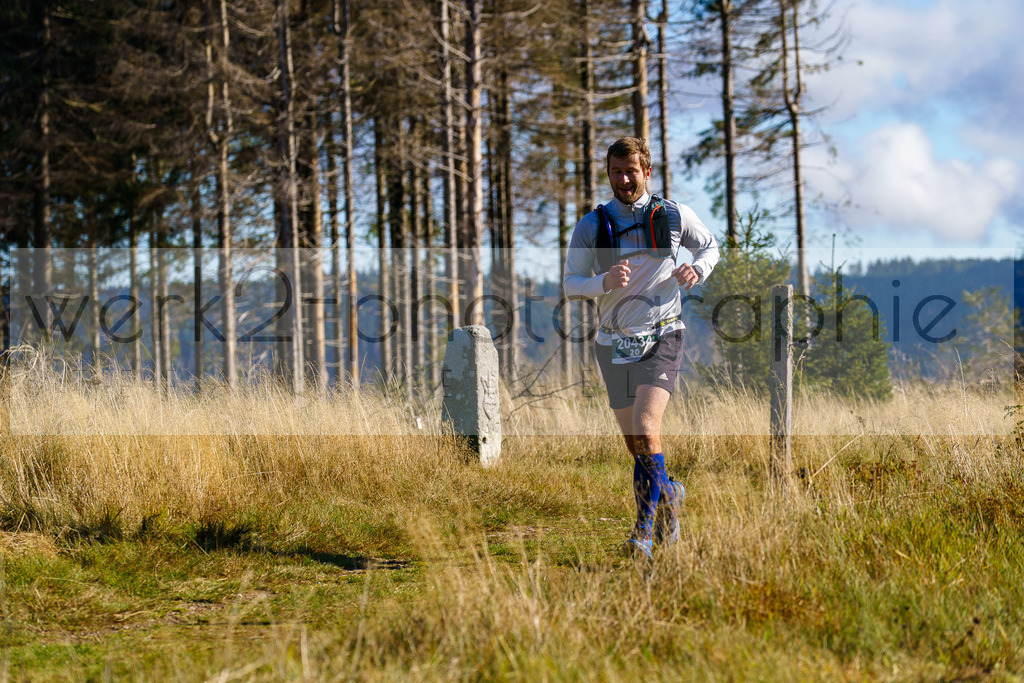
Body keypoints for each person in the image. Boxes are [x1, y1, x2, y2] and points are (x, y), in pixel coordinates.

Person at [562, 137, 720, 559]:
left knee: (648, 430)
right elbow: (571, 283)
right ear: (608, 173)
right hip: (612, 342)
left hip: (664, 334)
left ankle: (643, 534)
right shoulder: (592, 226)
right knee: (638, 445)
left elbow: (710, 246)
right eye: (616, 172)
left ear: (647, 171)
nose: (624, 179)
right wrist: (603, 282)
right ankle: (670, 493)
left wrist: (697, 269)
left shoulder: (672, 214)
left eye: (631, 171)